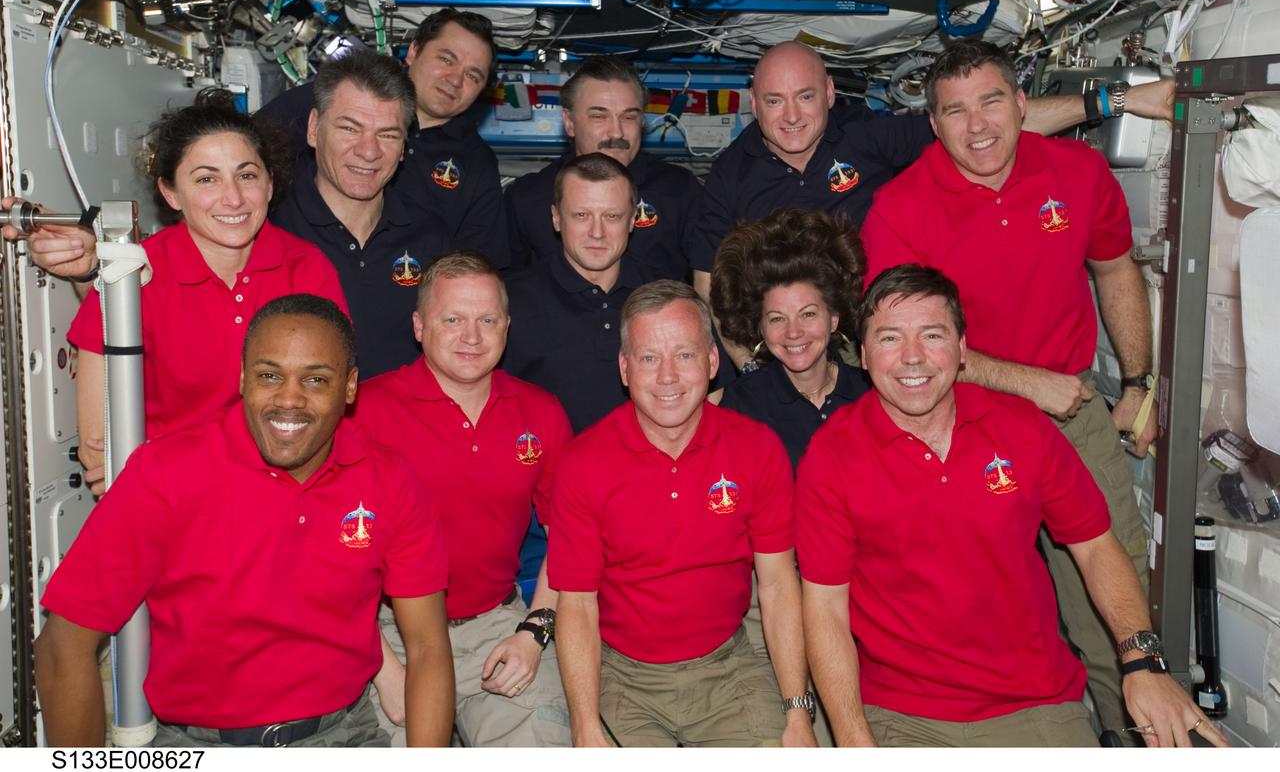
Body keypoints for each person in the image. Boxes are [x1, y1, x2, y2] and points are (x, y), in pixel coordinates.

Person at [797, 264, 1227, 748]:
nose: (912, 358)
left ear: (962, 350)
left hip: (1035, 703)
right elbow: (825, 608)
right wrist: (854, 739)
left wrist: (1143, 662)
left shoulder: (1021, 428)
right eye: (890, 338)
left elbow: (1094, 547)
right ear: (865, 356)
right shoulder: (833, 455)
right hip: (901, 713)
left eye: (932, 335)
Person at [858, 40, 1156, 737]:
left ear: (1024, 105)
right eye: (955, 111)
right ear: (933, 125)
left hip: (1073, 411)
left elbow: (1115, 271)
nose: (978, 125)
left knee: (1118, 601)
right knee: (976, 609)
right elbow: (910, 354)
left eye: (992, 100)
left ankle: (1132, 732)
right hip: (958, 423)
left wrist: (1138, 381)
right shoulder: (900, 208)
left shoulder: (1079, 172)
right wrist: (1027, 383)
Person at [34, 295, 455, 747]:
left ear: (350, 387)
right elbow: (63, 648)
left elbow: (428, 648)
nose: (289, 399)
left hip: (344, 736)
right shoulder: (166, 472)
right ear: (241, 377)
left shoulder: (388, 478)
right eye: (269, 376)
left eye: (316, 380)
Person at [689, 40, 1174, 368]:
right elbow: (710, 289)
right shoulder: (730, 176)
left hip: (877, 339)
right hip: (791, 344)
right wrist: (753, 368)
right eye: (774, 101)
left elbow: (980, 132)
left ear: (830, 94)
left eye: (806, 96)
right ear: (753, 103)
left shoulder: (866, 134)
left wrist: (1115, 101)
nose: (791, 116)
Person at [3, 90, 347, 496]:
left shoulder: (306, 268)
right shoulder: (132, 271)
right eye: (206, 178)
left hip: (284, 495)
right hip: (173, 500)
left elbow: (325, 411)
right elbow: (102, 448)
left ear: (270, 184)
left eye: (247, 175)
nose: (233, 197)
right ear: (170, 193)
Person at [550, 281, 816, 748]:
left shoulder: (756, 448)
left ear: (713, 362)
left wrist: (797, 710)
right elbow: (577, 605)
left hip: (730, 665)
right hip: (623, 676)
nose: (667, 377)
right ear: (625, 368)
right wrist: (584, 724)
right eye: (649, 358)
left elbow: (776, 585)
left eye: (685, 355)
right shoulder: (582, 463)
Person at [353, 251, 572, 746]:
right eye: (452, 319)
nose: (471, 337)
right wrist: (382, 670)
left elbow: (570, 539)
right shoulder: (363, 412)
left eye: (487, 320)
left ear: (507, 326)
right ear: (418, 325)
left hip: (496, 626)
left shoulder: (540, 412)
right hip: (388, 633)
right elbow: (321, 557)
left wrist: (534, 632)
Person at [258, 9, 509, 268]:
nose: (455, 80)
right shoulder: (334, 98)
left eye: (472, 76)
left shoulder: (477, 164)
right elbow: (245, 164)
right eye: (446, 60)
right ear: (413, 51)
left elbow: (481, 266)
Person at [262, 50, 451, 378]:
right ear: (312, 129)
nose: (368, 151)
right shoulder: (267, 228)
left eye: (388, 134)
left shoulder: (433, 239)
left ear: (404, 146)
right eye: (350, 128)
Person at [505, 55, 701, 280]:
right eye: (599, 116)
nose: (616, 133)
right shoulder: (527, 198)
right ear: (569, 122)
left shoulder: (680, 191)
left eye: (628, 117)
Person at [711, 208, 870, 468]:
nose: (793, 332)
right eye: (776, 318)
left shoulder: (870, 395)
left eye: (807, 314)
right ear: (759, 327)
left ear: (833, 318)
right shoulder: (738, 407)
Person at [502, 152, 649, 433]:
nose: (597, 232)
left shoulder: (668, 296)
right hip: (544, 472)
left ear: (632, 220)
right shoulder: (509, 302)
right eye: (581, 215)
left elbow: (709, 394)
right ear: (556, 218)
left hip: (651, 474)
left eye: (612, 216)